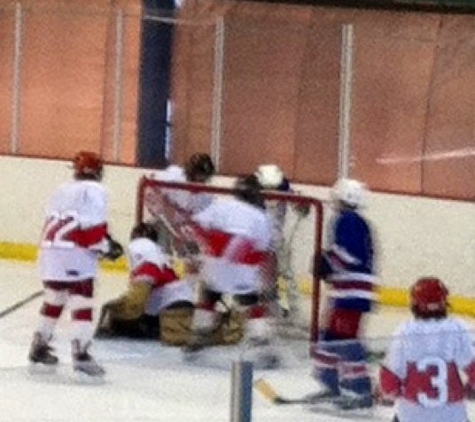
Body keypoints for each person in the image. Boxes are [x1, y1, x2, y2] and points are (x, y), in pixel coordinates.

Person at [28, 151, 124, 377]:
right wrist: (106, 247)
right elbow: (90, 229)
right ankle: (81, 353)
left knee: (55, 298)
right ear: (96, 171)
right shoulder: (96, 190)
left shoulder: (61, 190)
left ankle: (39, 345)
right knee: (82, 300)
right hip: (74, 252)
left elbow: (67, 221)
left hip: (49, 250)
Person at [183, 174, 279, 367]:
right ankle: (262, 342)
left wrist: (196, 253)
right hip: (243, 270)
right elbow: (265, 253)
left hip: (216, 266)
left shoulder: (220, 206)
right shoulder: (262, 217)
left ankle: (199, 337)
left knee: (209, 296)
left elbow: (193, 227)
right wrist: (268, 283)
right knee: (251, 302)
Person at [308, 177, 377, 409]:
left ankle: (359, 390)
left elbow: (349, 253)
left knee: (345, 340)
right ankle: (330, 384)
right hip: (347, 292)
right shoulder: (351, 220)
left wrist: (328, 262)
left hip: (352, 294)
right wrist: (329, 266)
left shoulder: (349, 220)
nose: (333, 202)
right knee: (329, 337)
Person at [379, 277, 475, 422]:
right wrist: (469, 389)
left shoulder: (404, 331)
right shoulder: (458, 329)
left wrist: (391, 395)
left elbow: (388, 382)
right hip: (453, 417)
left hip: (411, 416)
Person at [94, 222, 195, 345]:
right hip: (181, 305)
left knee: (114, 314)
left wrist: (117, 309)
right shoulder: (158, 250)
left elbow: (146, 278)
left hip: (170, 310)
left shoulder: (141, 246)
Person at [254, 164, 308, 325]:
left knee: (287, 276)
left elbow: (300, 207)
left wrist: (302, 206)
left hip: (276, 241)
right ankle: (272, 311)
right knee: (267, 280)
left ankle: (295, 313)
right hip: (261, 242)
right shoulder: (255, 194)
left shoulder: (284, 189)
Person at [146, 153, 215, 256]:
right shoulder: (173, 176)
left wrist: (185, 234)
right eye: (196, 179)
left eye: (203, 180)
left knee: (193, 253)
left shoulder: (206, 196)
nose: (199, 183)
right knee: (161, 247)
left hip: (181, 225)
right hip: (162, 219)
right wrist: (164, 209)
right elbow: (150, 185)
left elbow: (196, 221)